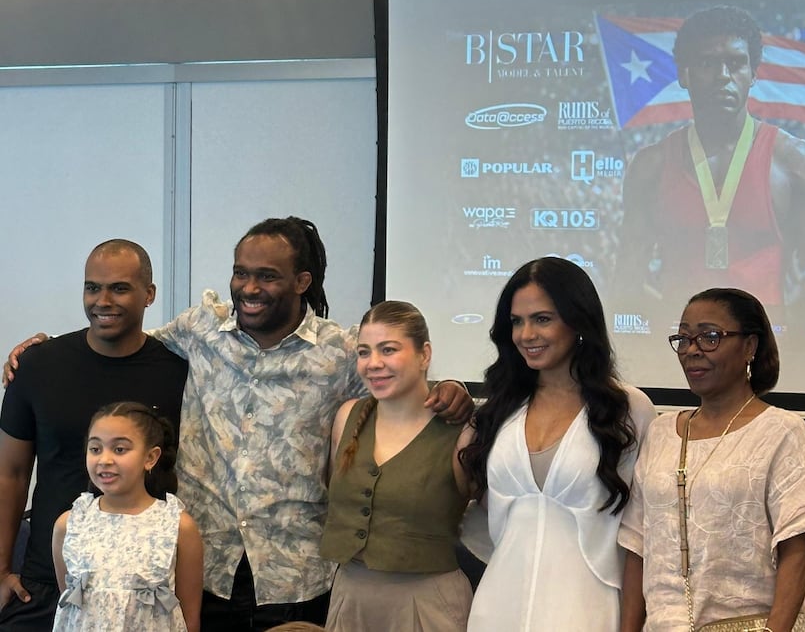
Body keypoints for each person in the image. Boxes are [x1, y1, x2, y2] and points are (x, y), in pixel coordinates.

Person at [0, 217, 471, 630]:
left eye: (267, 276)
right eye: (241, 273)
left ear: (302, 280)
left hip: (298, 576)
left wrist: (451, 385)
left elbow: (392, 371)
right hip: (203, 568)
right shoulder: (200, 330)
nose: (249, 287)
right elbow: (125, 342)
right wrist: (42, 350)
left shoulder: (340, 353)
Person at [0, 240, 188, 631]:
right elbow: (10, 474)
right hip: (48, 581)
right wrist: (2, 569)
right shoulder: (37, 366)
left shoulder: (179, 371)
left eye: (119, 288)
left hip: (143, 589)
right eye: (92, 287)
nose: (103, 300)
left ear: (148, 294)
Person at [460, 257, 657, 630]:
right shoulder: (499, 409)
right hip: (498, 608)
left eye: (542, 319)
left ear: (578, 321)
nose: (526, 334)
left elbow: (642, 538)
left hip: (589, 610)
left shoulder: (628, 409)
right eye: (517, 321)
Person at [619, 287, 805, 631]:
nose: (692, 351)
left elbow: (797, 549)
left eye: (710, 337)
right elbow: (637, 548)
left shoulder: (780, 430)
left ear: (750, 346)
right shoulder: (660, 431)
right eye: (683, 339)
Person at [615, 5, 805, 329]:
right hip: (678, 352)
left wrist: (789, 332)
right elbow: (626, 285)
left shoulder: (796, 162)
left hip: (765, 356)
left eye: (736, 63)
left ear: (753, 74)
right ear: (684, 75)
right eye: (707, 63)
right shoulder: (651, 166)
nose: (723, 76)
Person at [320, 301, 474, 631]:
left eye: (388, 350)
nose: (373, 363)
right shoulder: (347, 417)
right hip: (351, 597)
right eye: (364, 352)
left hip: (427, 602)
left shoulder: (462, 431)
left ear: (424, 355)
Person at [51, 401, 203, 632]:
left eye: (120, 449)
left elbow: (190, 620)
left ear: (150, 458)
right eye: (95, 449)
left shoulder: (178, 526)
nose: (105, 460)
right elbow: (69, 603)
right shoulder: (69, 524)